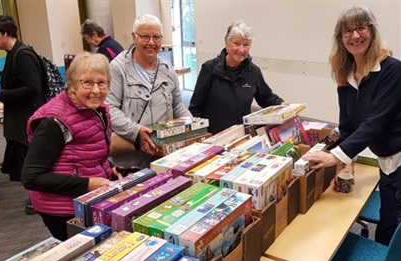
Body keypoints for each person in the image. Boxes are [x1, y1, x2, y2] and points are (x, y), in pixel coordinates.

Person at [302, 4, 401, 246]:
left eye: (361, 28)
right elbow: (347, 128)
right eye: (347, 31)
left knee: (394, 228)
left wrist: (336, 157)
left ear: (372, 31)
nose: (355, 36)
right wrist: (347, 164)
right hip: (386, 162)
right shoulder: (345, 77)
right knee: (387, 223)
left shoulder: (392, 70)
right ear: (340, 38)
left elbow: (374, 124)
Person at [21, 52, 121, 241]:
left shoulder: (95, 109)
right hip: (62, 208)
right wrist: (88, 184)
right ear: (72, 85)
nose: (96, 90)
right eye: (87, 83)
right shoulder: (54, 121)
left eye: (102, 83)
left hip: (86, 199)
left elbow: (88, 153)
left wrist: (109, 169)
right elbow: (31, 177)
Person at [105, 14, 191, 167]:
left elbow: (177, 105)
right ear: (134, 37)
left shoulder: (167, 69)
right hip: (130, 160)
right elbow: (109, 109)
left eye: (156, 37)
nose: (151, 43)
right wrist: (136, 131)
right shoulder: (118, 68)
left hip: (163, 156)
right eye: (145, 37)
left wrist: (193, 125)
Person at [0, 15, 47, 214]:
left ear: (5, 33)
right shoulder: (13, 53)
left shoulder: (23, 55)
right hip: (20, 117)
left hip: (27, 118)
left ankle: (39, 198)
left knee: (31, 160)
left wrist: (3, 94)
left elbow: (33, 88)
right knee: (25, 160)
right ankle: (36, 196)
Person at [188, 19, 287, 135]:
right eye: (236, 43)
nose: (241, 49)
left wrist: (281, 104)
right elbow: (195, 108)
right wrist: (200, 135)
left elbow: (266, 97)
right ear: (226, 43)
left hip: (241, 136)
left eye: (246, 45)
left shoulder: (253, 72)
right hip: (214, 136)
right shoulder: (209, 69)